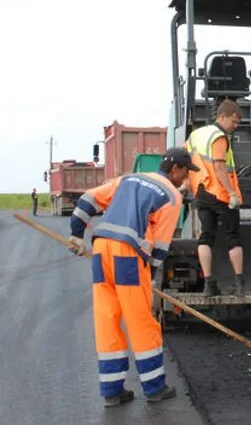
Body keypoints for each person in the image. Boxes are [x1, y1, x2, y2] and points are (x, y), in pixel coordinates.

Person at [68, 147, 199, 406]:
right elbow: (160, 247)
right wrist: (149, 276)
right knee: (141, 320)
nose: (186, 179)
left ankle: (112, 392)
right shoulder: (172, 196)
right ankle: (154, 388)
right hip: (128, 255)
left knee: (108, 318)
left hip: (101, 250)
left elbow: (88, 199)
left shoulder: (129, 179)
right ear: (175, 169)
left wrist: (75, 233)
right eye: (185, 173)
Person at [186, 99, 245, 297]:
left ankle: (209, 285)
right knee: (233, 238)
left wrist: (185, 186)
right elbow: (220, 167)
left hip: (201, 193)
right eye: (233, 122)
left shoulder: (195, 135)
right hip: (220, 194)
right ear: (222, 116)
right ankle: (239, 285)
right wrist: (232, 194)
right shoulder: (219, 137)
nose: (235, 127)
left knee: (206, 236)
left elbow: (190, 164)